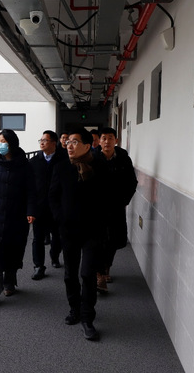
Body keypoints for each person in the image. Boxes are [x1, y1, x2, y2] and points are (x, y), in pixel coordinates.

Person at [49, 127, 106, 341]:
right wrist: (60, 218)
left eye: (74, 142)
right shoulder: (62, 167)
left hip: (93, 230)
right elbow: (53, 196)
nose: (69, 145)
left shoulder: (99, 166)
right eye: (68, 142)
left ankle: (87, 317)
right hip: (69, 229)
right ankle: (75, 309)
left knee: (87, 273)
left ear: (87, 145)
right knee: (70, 274)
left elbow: (109, 197)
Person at [0, 129, 36, 304]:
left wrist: (31, 211)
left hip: (16, 215)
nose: (1, 145)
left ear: (12, 143)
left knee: (13, 250)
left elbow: (31, 191)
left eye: (4, 141)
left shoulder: (25, 166)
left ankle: (9, 283)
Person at [95, 127, 138, 292]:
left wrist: (125, 201)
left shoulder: (123, 159)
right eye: (104, 138)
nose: (107, 141)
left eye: (110, 138)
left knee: (114, 240)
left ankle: (106, 266)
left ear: (116, 140)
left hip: (116, 207)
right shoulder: (93, 158)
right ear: (99, 141)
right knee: (98, 239)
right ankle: (99, 273)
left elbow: (132, 182)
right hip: (97, 208)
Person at [29, 130, 67, 280]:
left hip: (57, 207)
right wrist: (30, 208)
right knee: (37, 238)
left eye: (45, 140)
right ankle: (38, 266)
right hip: (39, 206)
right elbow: (29, 187)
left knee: (57, 236)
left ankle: (54, 256)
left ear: (54, 143)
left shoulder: (64, 159)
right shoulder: (34, 161)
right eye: (41, 140)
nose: (42, 143)